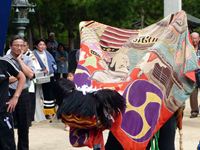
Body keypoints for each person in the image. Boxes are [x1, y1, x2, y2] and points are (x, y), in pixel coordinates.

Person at [4, 35, 35, 150]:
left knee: (24, 126)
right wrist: (21, 75)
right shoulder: (4, 60)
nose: (19, 48)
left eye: (22, 45)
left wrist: (20, 61)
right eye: (16, 45)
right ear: (10, 46)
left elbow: (31, 75)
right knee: (8, 125)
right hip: (8, 94)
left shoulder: (27, 59)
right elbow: (6, 79)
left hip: (23, 94)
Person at [0, 57, 25, 150]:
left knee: (7, 143)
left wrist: (15, 97)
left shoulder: (4, 62)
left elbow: (21, 77)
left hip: (3, 111)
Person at [33, 39, 57, 121]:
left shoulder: (47, 53)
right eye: (40, 44)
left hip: (49, 76)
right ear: (36, 46)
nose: (42, 46)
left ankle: (49, 112)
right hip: (39, 77)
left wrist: (52, 69)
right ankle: (40, 112)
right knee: (39, 94)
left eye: (43, 44)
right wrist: (41, 70)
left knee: (49, 94)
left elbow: (53, 63)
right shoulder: (33, 54)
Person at [190, 32, 200, 118]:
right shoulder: (188, 49)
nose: (194, 40)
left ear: (199, 39)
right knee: (193, 92)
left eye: (196, 38)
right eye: (193, 38)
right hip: (193, 73)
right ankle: (194, 111)